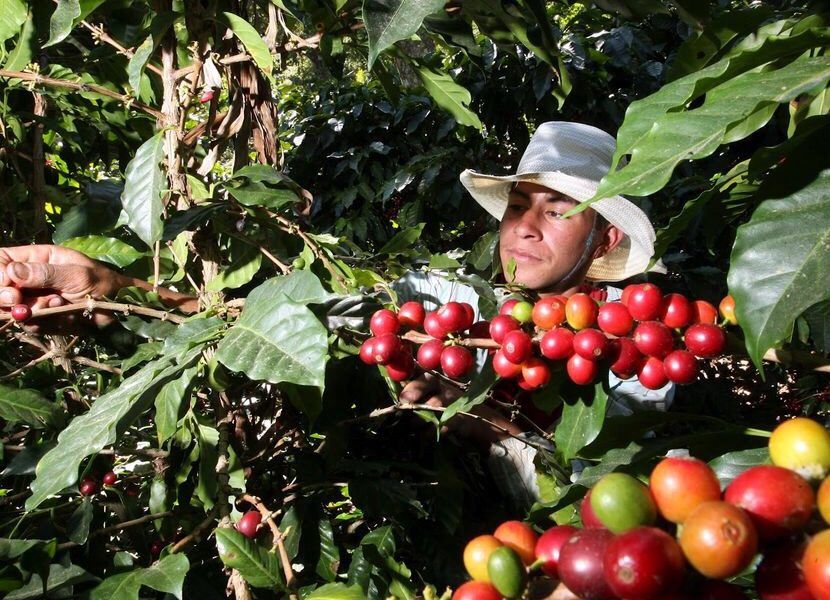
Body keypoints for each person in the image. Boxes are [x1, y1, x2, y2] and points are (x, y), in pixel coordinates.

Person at [0, 122, 667, 508]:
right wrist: (111, 294)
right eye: (519, 205)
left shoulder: (637, 347)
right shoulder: (448, 303)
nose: (524, 226)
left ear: (604, 239)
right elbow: (296, 322)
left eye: (558, 211)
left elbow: (611, 502)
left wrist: (489, 423)